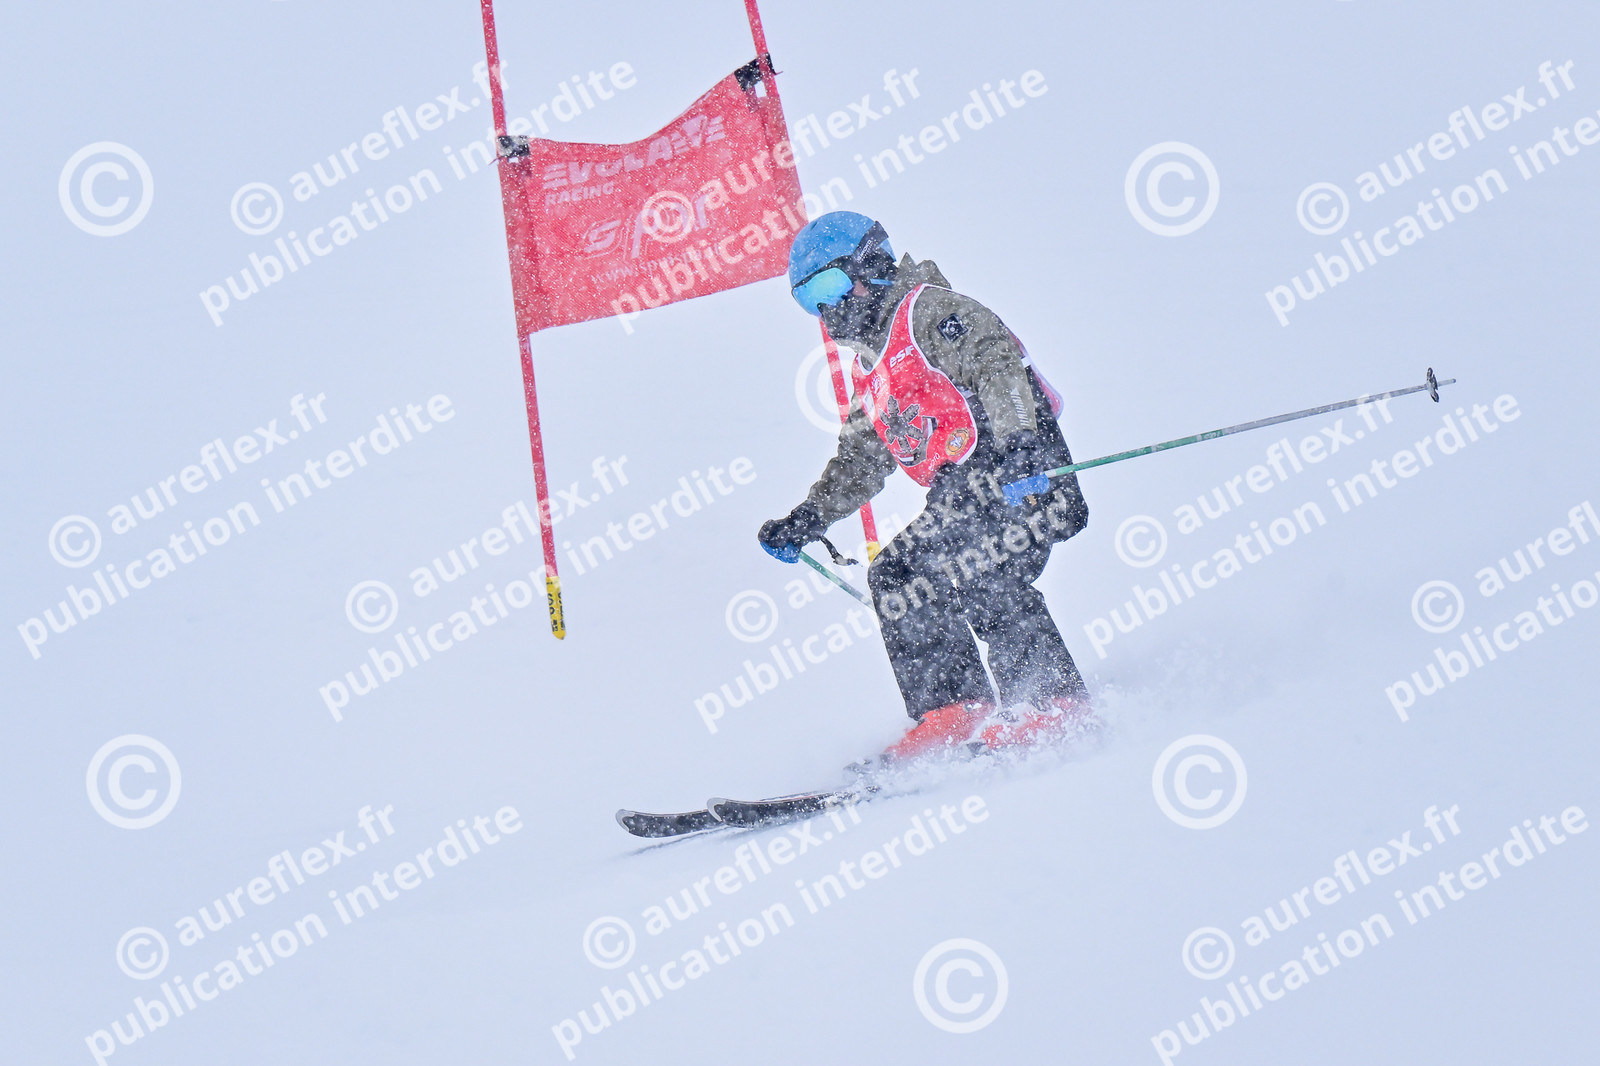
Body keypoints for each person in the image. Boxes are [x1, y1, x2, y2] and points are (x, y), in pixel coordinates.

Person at [758, 211, 1098, 762]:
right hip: (961, 492)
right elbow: (861, 460)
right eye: (811, 300)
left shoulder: (930, 312)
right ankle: (953, 708)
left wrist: (1020, 447)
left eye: (831, 286)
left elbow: (997, 366)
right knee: (898, 573)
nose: (828, 309)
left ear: (870, 264)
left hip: (1023, 473)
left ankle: (1050, 701)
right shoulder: (873, 369)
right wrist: (809, 517)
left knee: (981, 562)